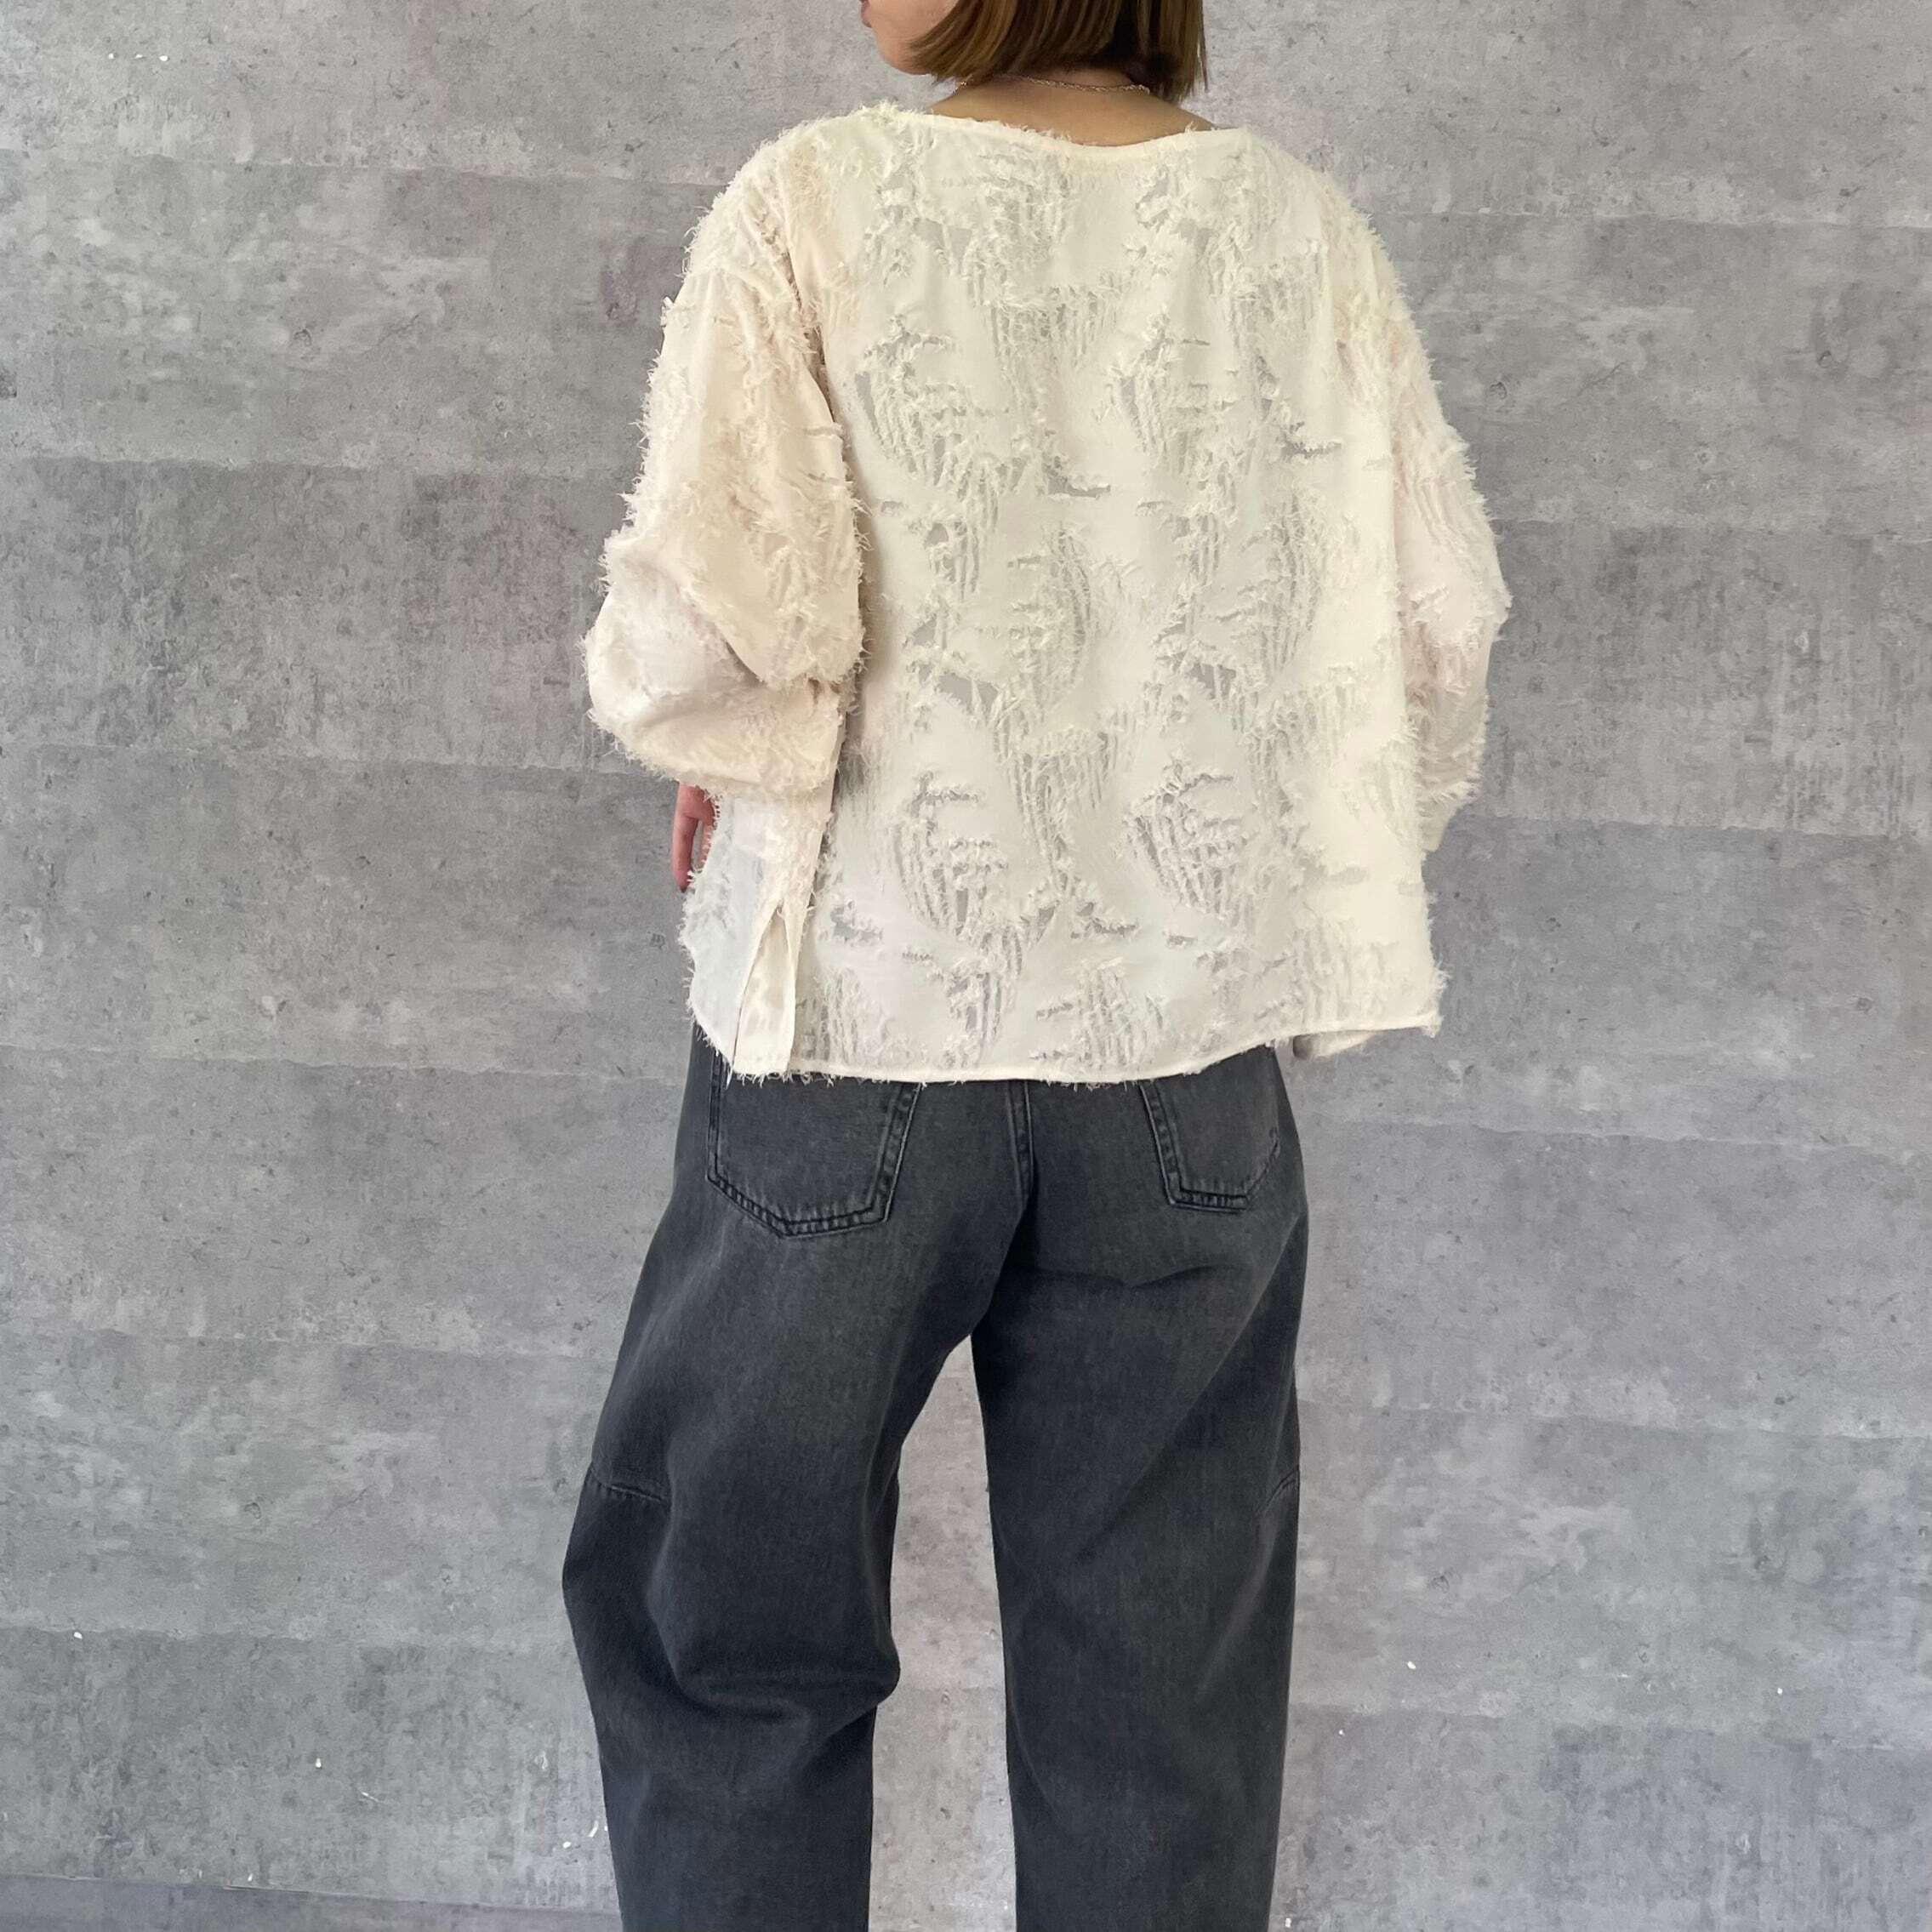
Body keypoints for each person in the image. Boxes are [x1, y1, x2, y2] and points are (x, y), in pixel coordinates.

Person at [561, 0, 1512, 1926]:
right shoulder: (1302, 232)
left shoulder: (813, 201)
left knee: (726, 1641)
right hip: (1182, 1071)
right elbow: (1432, 635)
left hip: (857, 1032)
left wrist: (740, 754)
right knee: (1159, 1708)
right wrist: (1224, 885)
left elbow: (719, 625)